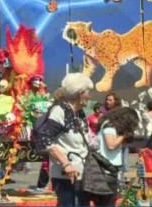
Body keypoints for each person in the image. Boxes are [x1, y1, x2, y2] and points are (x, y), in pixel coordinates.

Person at [37, 73, 92, 207]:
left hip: (81, 172)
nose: (90, 95)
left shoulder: (79, 113)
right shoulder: (59, 111)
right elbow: (45, 139)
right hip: (65, 175)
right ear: (80, 94)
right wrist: (66, 164)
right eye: (88, 92)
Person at [86, 107, 139, 206]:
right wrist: (123, 135)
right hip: (105, 170)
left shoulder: (110, 126)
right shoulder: (109, 127)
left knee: (107, 201)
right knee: (107, 202)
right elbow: (111, 145)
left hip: (109, 169)